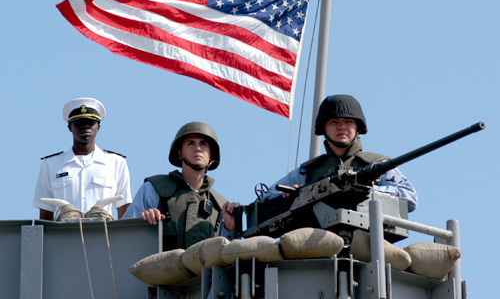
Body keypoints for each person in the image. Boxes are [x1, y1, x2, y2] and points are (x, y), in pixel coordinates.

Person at [264, 94, 418, 212]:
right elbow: (266, 197)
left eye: (348, 122)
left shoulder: (377, 164)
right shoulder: (307, 171)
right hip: (318, 243)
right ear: (324, 128)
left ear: (357, 127)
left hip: (366, 241)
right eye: (334, 122)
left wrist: (366, 189)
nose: (342, 127)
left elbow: (409, 198)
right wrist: (293, 196)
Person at [123, 121, 239, 250]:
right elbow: (126, 236)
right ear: (179, 152)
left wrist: (230, 228)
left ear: (211, 155)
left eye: (203, 144)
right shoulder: (155, 188)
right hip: (162, 268)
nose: (198, 148)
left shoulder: (220, 205)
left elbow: (229, 254)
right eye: (191, 143)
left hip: (205, 270)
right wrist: (144, 220)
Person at [32, 97, 132, 220]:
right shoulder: (51, 165)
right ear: (69, 127)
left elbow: (125, 211)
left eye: (90, 122)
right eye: (79, 123)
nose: (85, 127)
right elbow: (45, 215)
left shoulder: (116, 163)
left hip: (104, 236)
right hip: (65, 236)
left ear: (98, 127)